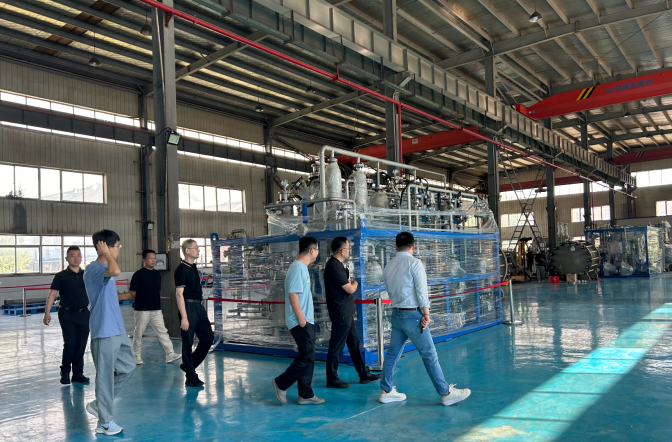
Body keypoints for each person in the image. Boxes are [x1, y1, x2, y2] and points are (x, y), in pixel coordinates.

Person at [379, 232, 471, 406]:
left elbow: (389, 290)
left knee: (392, 354)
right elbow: (422, 291)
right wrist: (426, 313)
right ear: (413, 247)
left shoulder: (388, 265)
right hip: (412, 316)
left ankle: (386, 390)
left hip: (397, 314)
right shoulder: (415, 263)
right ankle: (445, 393)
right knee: (429, 354)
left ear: (396, 246)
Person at [84, 230, 135, 436]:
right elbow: (116, 271)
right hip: (104, 330)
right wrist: (106, 254)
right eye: (117, 246)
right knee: (105, 377)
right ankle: (104, 423)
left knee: (128, 366)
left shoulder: (105, 268)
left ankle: (99, 404)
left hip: (117, 329)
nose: (119, 250)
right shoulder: (94, 269)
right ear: (105, 246)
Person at [271, 236, 325, 405]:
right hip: (300, 321)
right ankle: (281, 383)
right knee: (307, 356)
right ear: (312, 250)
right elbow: (292, 295)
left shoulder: (302, 268)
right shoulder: (297, 268)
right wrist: (301, 319)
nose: (318, 253)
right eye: (317, 250)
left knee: (308, 355)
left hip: (306, 319)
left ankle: (305, 394)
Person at [324, 236, 380, 388]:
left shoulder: (338, 265)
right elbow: (350, 288)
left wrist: (350, 284)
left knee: (354, 343)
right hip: (340, 312)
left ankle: (363, 373)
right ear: (342, 251)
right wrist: (354, 283)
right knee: (337, 346)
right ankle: (332, 378)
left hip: (346, 312)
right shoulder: (334, 266)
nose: (349, 251)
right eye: (348, 249)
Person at [43, 246, 90, 385]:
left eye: (78, 255)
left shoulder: (86, 275)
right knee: (70, 343)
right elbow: (52, 294)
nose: (76, 258)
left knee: (81, 344)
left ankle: (78, 373)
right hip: (67, 314)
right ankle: (65, 372)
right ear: (67, 258)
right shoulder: (61, 276)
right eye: (72, 255)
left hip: (84, 314)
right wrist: (47, 313)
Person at [130, 249, 180, 365]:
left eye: (155, 258)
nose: (153, 260)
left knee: (162, 331)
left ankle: (170, 353)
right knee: (138, 334)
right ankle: (136, 357)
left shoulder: (157, 274)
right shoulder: (138, 274)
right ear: (144, 260)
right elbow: (132, 292)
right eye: (150, 258)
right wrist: (142, 300)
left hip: (156, 309)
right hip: (142, 309)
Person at [175, 239, 214, 388]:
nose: (198, 250)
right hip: (188, 307)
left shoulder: (194, 267)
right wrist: (184, 317)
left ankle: (188, 365)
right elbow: (179, 294)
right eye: (196, 248)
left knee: (208, 338)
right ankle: (191, 377)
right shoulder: (181, 269)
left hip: (198, 306)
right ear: (187, 250)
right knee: (188, 342)